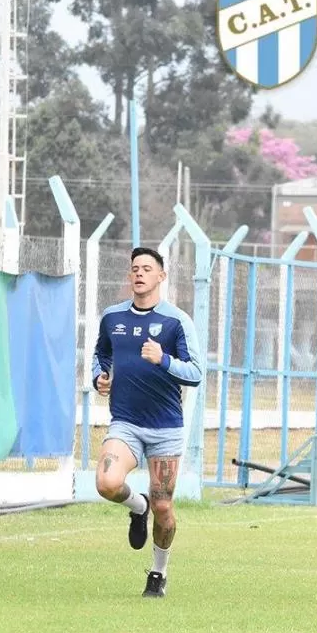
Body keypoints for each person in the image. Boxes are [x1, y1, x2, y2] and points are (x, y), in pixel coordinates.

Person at [92, 247, 203, 598]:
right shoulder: (112, 317)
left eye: (147, 269)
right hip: (125, 422)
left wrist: (164, 359)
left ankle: (158, 572)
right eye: (134, 269)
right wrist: (100, 376)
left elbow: (197, 373)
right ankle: (137, 507)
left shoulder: (176, 321)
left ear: (161, 276)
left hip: (166, 429)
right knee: (107, 483)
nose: (139, 274)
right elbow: (101, 355)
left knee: (165, 507)